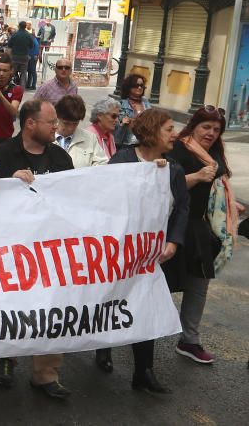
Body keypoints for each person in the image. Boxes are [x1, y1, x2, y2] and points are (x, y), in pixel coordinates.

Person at [92, 108, 187, 393]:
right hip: (119, 251)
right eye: (169, 129)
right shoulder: (122, 161)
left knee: (145, 306)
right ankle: (103, 347)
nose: (175, 135)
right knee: (112, 301)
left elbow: (181, 207)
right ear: (151, 132)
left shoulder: (173, 169)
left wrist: (173, 241)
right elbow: (101, 198)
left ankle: (143, 371)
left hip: (150, 255)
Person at [0, 100, 74, 399]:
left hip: (51, 250)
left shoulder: (61, 158)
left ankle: (46, 374)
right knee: (13, 307)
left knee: (52, 309)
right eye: (51, 122)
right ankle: (7, 360)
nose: (56, 127)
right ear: (30, 124)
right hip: (12, 250)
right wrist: (7, 183)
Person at [166, 106, 245, 366]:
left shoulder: (214, 153)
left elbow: (218, 189)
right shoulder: (178, 148)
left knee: (198, 285)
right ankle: (137, 333)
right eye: (206, 127)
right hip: (174, 224)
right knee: (160, 283)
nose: (211, 133)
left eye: (216, 129)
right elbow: (165, 185)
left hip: (201, 227)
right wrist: (197, 176)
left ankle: (190, 340)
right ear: (194, 127)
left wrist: (230, 205)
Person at [54, 95, 108, 168]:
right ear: (58, 117)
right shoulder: (45, 137)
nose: (70, 128)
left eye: (75, 124)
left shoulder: (90, 138)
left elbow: (102, 163)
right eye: (66, 123)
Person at [116, 73, 150, 147]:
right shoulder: (121, 104)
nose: (139, 88)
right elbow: (117, 126)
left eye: (142, 86)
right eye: (136, 85)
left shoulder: (145, 102)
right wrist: (122, 122)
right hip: (127, 143)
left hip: (144, 142)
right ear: (128, 87)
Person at [7, 21, 33, 86]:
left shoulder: (15, 35)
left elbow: (9, 45)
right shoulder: (28, 35)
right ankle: (22, 89)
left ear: (19, 26)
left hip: (15, 56)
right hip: (24, 57)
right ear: (25, 26)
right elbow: (31, 45)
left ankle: (10, 86)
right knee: (23, 74)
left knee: (12, 72)